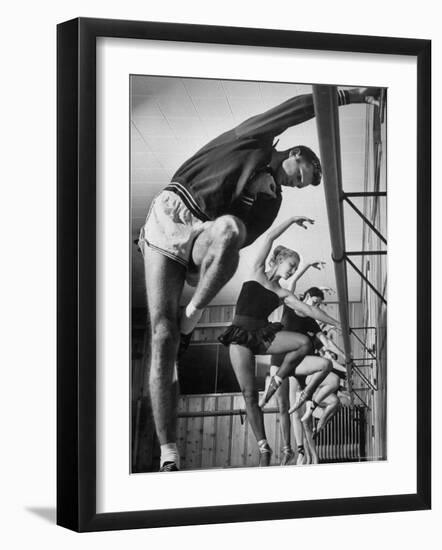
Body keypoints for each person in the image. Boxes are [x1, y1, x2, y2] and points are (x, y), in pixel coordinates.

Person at [138, 86, 379, 471]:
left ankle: (195, 311)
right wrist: (349, 96)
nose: (294, 185)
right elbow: (300, 107)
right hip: (170, 215)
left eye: (299, 187)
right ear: (295, 154)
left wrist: (258, 200)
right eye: (300, 176)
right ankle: (169, 452)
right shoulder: (254, 139)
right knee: (162, 335)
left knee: (231, 229)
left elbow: (242, 244)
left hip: (206, 238)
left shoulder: (271, 202)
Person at [218, 217, 340, 466]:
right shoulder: (257, 271)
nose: (293, 270)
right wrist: (292, 220)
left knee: (303, 343)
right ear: (279, 260)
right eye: (292, 265)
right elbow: (269, 237)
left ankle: (278, 377)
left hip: (263, 335)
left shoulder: (283, 293)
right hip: (240, 335)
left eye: (295, 268)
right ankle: (264, 447)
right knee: (249, 393)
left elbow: (311, 313)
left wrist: (338, 323)